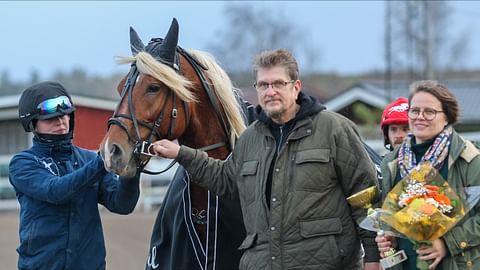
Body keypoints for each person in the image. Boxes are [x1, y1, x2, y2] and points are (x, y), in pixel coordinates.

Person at [151, 49, 380, 269]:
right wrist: (180, 154)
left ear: (296, 87)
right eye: (263, 85)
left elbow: (365, 196)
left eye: (278, 83)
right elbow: (226, 180)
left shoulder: (334, 129)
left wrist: (373, 258)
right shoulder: (250, 138)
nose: (270, 91)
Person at [9, 81, 140, 270]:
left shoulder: (88, 159)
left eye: (64, 115)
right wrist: (102, 160)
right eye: (50, 119)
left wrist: (132, 170)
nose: (60, 121)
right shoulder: (23, 163)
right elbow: (57, 191)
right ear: (33, 124)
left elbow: (122, 204)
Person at [375, 80, 480, 269]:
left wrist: (448, 243)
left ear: (447, 116)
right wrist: (390, 236)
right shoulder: (392, 162)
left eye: (429, 112)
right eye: (414, 111)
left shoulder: (469, 158)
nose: (419, 117)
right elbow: (392, 216)